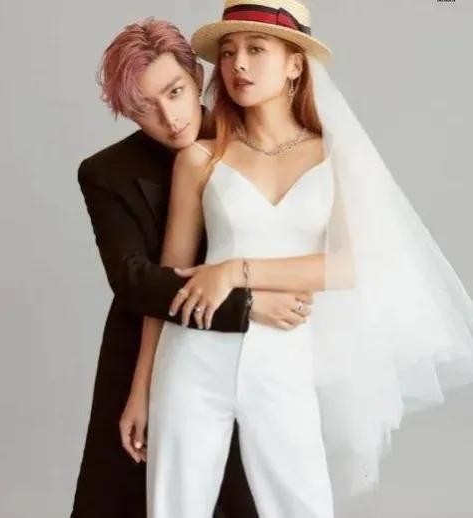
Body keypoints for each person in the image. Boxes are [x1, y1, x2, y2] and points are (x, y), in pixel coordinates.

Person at [126, 0, 473, 517]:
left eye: (256, 49)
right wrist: (140, 390)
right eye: (228, 52)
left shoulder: (333, 156)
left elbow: (346, 266)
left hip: (282, 359)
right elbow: (166, 283)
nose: (238, 64)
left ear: (294, 64)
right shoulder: (200, 158)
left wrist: (235, 272)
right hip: (192, 358)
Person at [72, 18, 313, 518]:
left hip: (256, 357)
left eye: (175, 92)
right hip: (146, 349)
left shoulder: (260, 143)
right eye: (144, 107)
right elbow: (134, 281)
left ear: (198, 76)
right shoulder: (106, 172)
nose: (169, 116)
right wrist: (247, 302)